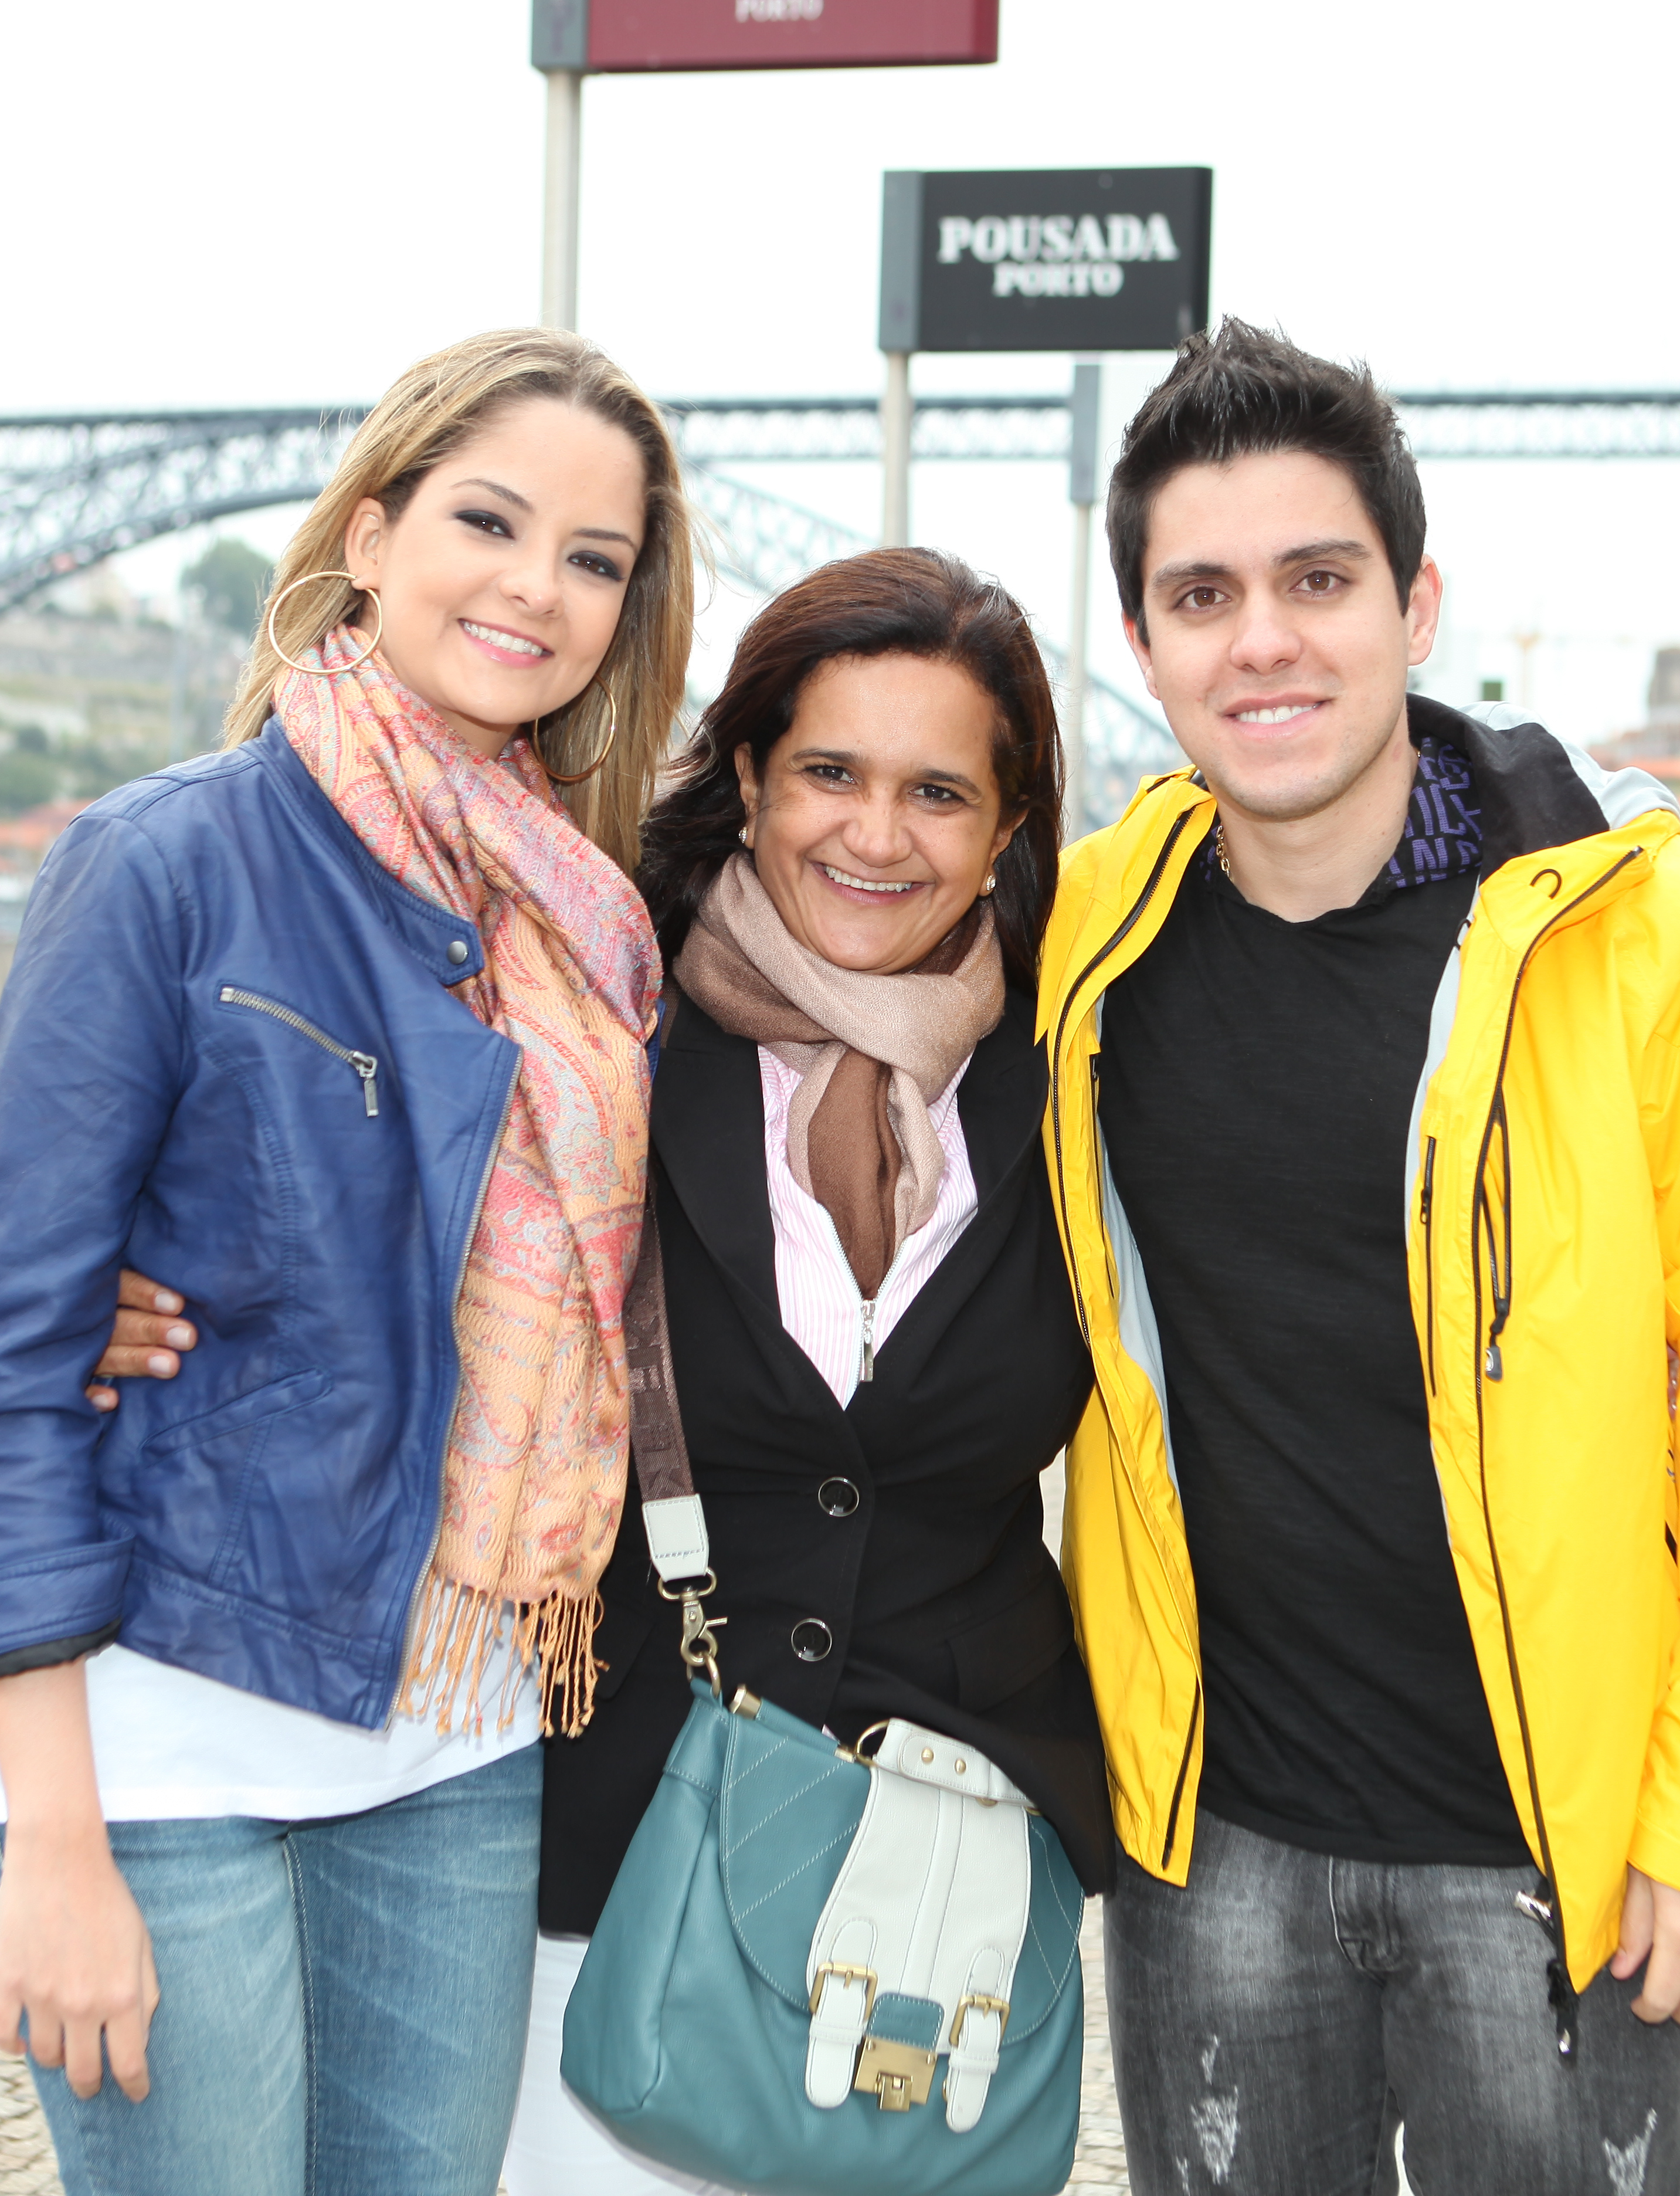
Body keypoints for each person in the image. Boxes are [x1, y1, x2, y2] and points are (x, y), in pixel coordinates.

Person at [89, 551, 1115, 2196]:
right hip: (616, 1845)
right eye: (829, 772)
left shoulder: (1079, 1085)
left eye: (938, 791)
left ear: (1006, 831)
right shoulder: (591, 1029)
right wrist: (118, 1280)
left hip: (946, 1870)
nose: (875, 833)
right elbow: (323, 1178)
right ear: (750, 782)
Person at [1037, 321, 1680, 2194]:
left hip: (1559, 1866)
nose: (1263, 640)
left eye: (1318, 580)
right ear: (1144, 645)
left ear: (1416, 605)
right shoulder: (1089, 944)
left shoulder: (1656, 944)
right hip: (1215, 1854)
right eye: (1203, 596)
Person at [0, 327, 697, 2196]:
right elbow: (7, 1377)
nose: (536, 587)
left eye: (593, 557)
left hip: (451, 1739)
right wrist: (55, 1842)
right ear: (372, 536)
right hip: (158, 1733)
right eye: (488, 522)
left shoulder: (588, 915)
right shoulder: (163, 863)